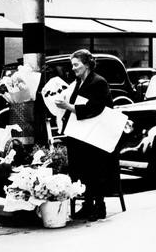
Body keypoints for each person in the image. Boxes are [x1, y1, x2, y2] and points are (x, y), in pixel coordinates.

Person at [55, 49, 118, 221]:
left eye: (76, 64)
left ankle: (99, 205)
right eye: (72, 65)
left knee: (95, 169)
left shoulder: (99, 82)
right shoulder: (77, 82)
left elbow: (95, 108)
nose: (73, 68)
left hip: (95, 135)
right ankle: (87, 204)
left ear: (87, 64)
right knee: (80, 168)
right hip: (81, 133)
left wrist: (67, 106)